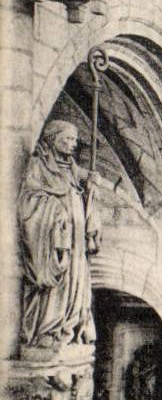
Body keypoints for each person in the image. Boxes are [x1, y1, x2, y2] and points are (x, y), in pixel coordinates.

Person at [18, 119, 98, 349]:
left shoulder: (71, 168)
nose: (73, 144)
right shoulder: (39, 165)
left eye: (74, 139)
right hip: (54, 237)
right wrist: (56, 211)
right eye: (67, 139)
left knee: (76, 280)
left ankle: (69, 326)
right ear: (53, 139)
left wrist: (92, 184)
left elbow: (82, 183)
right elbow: (28, 199)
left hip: (76, 240)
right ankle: (48, 328)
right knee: (58, 283)